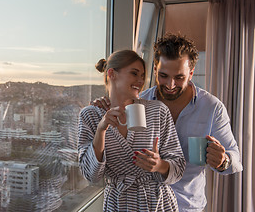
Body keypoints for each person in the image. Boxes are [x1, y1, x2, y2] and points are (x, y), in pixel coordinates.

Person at [92, 34, 243, 212]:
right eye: (163, 76)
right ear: (155, 70)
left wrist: (223, 161)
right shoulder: (138, 102)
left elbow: (235, 159)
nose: (171, 85)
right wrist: (102, 106)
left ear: (191, 73)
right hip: (146, 207)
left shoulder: (212, 107)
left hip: (187, 206)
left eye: (179, 77)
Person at [78, 49, 186, 211]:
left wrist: (159, 165)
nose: (140, 80)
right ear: (112, 74)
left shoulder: (158, 111)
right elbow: (91, 175)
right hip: (119, 204)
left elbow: (178, 168)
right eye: (134, 74)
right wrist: (101, 130)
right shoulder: (90, 115)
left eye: (142, 76)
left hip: (157, 203)